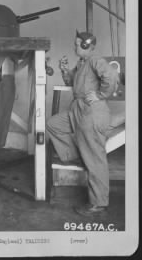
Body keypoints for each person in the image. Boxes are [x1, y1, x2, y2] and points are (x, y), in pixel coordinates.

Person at [46, 30, 119, 217]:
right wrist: (64, 70)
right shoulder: (82, 64)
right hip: (77, 110)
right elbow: (72, 83)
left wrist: (101, 94)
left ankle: (98, 203)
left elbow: (111, 77)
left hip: (92, 113)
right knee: (53, 124)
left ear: (86, 46)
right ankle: (76, 154)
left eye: (77, 44)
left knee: (95, 160)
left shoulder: (95, 60)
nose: (74, 46)